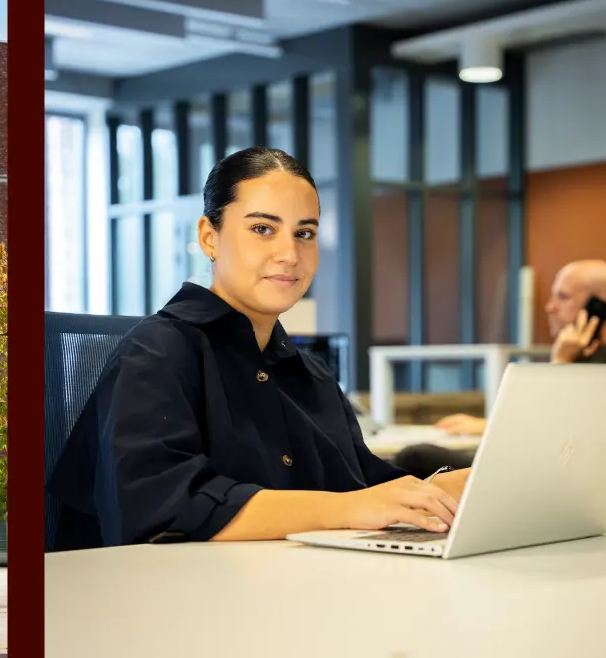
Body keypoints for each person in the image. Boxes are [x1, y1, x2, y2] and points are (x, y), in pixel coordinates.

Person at [49, 146, 469, 552]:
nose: (289, 254)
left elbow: (361, 486)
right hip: (164, 592)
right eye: (263, 229)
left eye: (304, 233)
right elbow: (165, 507)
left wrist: (455, 486)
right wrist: (346, 508)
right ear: (209, 237)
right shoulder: (156, 352)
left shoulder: (310, 373)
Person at [397, 260, 606, 491]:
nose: (550, 307)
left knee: (416, 457)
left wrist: (561, 361)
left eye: (563, 297)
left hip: (564, 475)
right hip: (539, 465)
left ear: (598, 307)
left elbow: (557, 430)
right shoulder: (579, 355)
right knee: (416, 456)